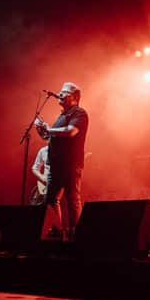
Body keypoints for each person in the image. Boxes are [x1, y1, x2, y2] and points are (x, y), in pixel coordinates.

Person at [34, 82, 89, 241]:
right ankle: (56, 234)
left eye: (65, 92)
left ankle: (76, 237)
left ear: (75, 97)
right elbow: (51, 137)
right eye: (60, 91)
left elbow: (71, 131)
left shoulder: (79, 113)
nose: (60, 93)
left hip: (70, 165)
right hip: (55, 165)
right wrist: (42, 130)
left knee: (72, 201)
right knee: (51, 201)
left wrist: (49, 129)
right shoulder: (61, 116)